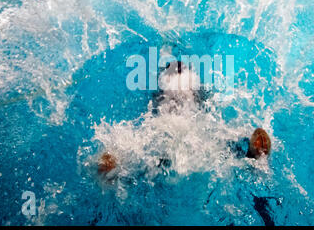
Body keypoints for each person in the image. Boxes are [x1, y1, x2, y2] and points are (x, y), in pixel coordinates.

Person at [98, 61, 271, 175]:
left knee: (141, 151)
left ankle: (113, 166)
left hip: (166, 147)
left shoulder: (158, 116)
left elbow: (134, 139)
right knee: (221, 143)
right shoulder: (203, 115)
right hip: (192, 142)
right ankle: (253, 156)